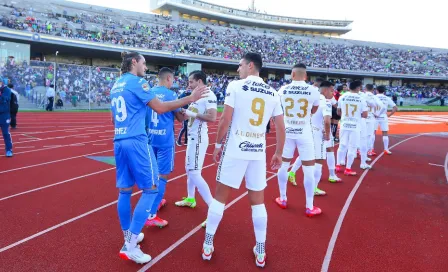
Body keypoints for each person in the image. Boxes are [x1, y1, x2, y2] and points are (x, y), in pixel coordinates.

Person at [111, 51, 208, 264]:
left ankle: (129, 235)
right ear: (134, 62)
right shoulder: (138, 82)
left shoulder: (116, 84)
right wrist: (191, 98)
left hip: (119, 140)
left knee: (125, 191)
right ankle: (130, 244)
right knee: (152, 189)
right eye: (144, 63)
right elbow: (161, 107)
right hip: (137, 141)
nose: (146, 68)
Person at [201, 52, 285, 267]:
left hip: (236, 148)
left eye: (239, 65)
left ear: (249, 65)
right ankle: (261, 249)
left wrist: (218, 145)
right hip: (258, 152)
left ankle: (208, 243)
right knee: (258, 202)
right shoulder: (273, 92)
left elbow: (225, 119)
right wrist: (278, 152)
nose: (237, 69)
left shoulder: (235, 86)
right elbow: (280, 126)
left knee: (220, 198)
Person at [275, 63, 321, 217]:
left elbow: (278, 110)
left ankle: (283, 198)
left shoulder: (283, 89)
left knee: (284, 165)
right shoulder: (313, 90)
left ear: (292, 74)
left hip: (287, 131)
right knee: (309, 168)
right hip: (305, 131)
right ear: (306, 76)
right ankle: (309, 206)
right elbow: (314, 110)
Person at [175, 71, 217, 227]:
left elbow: (212, 117)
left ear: (199, 81)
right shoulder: (196, 96)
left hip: (198, 139)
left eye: (191, 82)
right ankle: (191, 198)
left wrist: (191, 112)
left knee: (193, 171)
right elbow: (185, 116)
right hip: (192, 138)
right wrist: (179, 110)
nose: (189, 85)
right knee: (189, 170)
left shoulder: (209, 95)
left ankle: (213, 208)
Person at [144, 67, 184, 228]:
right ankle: (152, 214)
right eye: (173, 79)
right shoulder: (171, 95)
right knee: (163, 176)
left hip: (150, 138)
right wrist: (184, 112)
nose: (173, 82)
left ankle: (155, 200)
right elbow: (180, 118)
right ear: (168, 78)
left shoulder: (149, 92)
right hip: (165, 141)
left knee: (152, 174)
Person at [287, 77, 324, 185]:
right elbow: (322, 116)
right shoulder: (318, 96)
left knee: (307, 154)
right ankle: (313, 186)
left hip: (304, 127)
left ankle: (292, 172)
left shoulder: (294, 91)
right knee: (316, 157)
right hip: (310, 129)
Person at [335, 80, 368, 176]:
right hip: (355, 125)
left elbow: (338, 112)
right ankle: (348, 168)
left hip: (344, 123)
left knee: (342, 145)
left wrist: (345, 116)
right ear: (358, 88)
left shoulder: (342, 97)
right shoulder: (361, 98)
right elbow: (365, 115)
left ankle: (337, 165)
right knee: (352, 147)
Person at [364, 84, 386, 156]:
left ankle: (358, 151)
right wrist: (377, 114)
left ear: (365, 89)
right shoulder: (374, 97)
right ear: (373, 89)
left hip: (362, 117)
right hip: (371, 117)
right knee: (370, 135)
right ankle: (368, 151)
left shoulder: (362, 95)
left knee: (361, 135)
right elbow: (383, 107)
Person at [375, 85, 398, 155]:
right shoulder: (387, 98)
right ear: (384, 91)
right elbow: (395, 107)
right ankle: (386, 149)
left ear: (377, 90)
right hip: (383, 116)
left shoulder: (374, 97)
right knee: (385, 133)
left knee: (372, 133)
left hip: (375, 116)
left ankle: (370, 149)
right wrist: (389, 115)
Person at [0, 77, 13, 157]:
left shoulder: (7, 90)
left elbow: (5, 99)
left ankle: (9, 149)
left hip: (4, 115)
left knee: (5, 133)